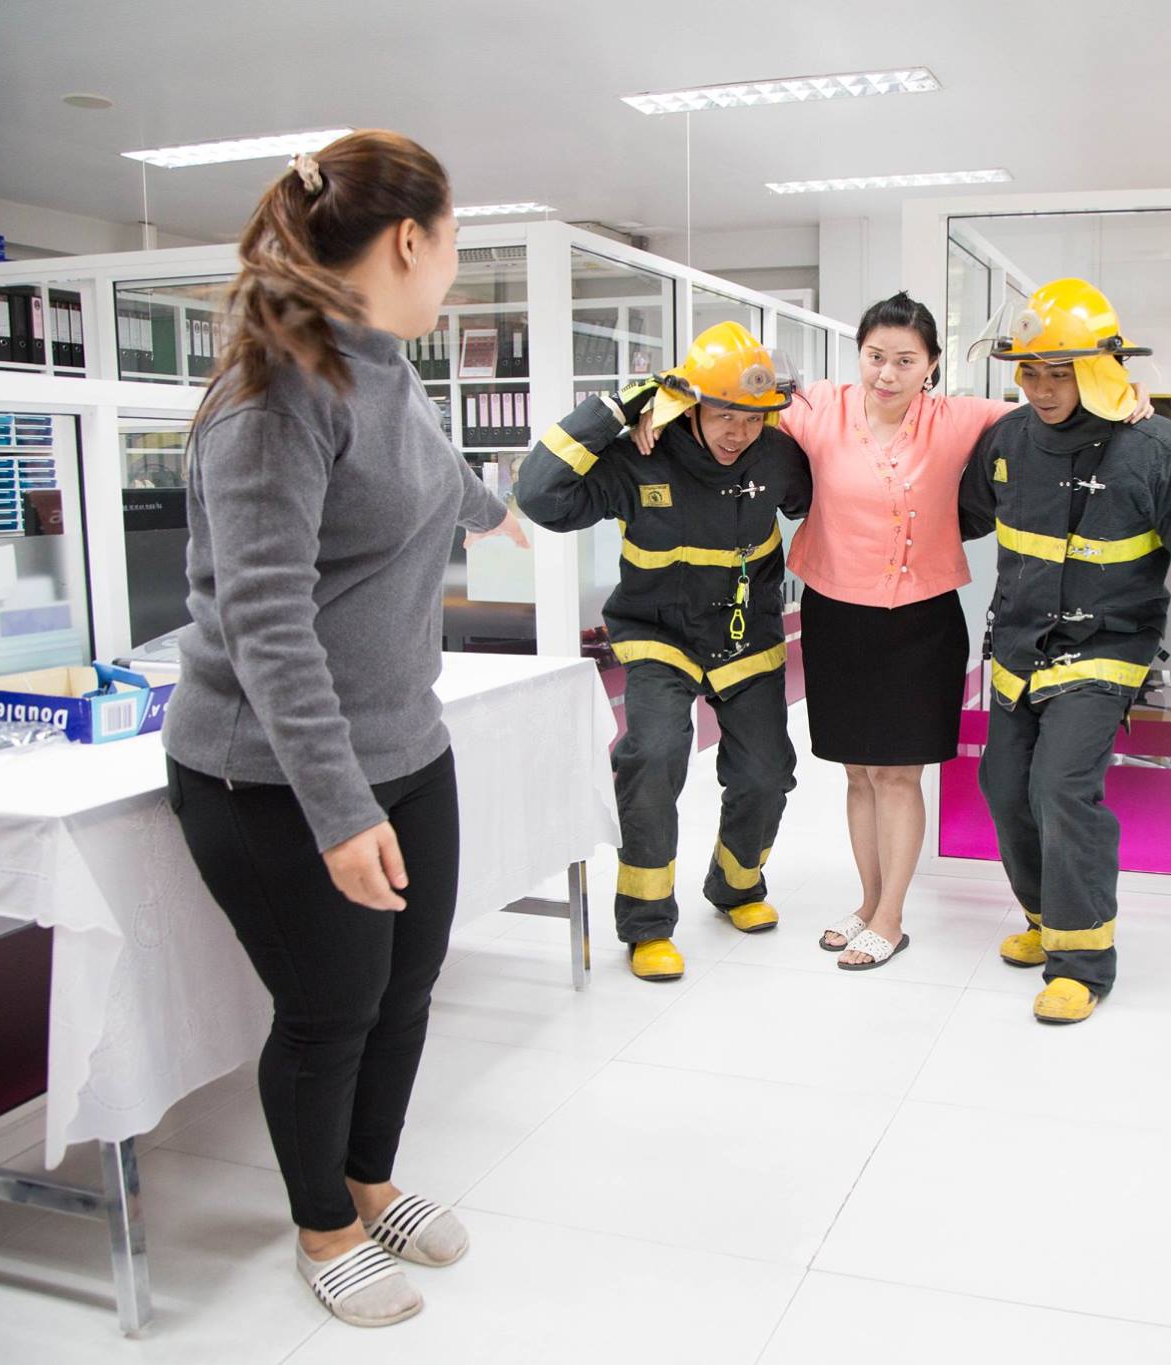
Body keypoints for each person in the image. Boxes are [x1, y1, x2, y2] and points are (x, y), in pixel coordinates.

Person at [162, 133, 517, 1327]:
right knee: (329, 1012)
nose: (454, 267)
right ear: (409, 241)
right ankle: (323, 1228)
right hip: (273, 774)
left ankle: (371, 1183)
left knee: (406, 987)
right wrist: (338, 807)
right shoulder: (273, 397)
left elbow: (432, 478)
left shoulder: (384, 365)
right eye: (453, 242)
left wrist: (505, 507)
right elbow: (264, 625)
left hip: (404, 744)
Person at [643, 293, 1149, 971]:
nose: (887, 373)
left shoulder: (960, 418)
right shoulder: (817, 406)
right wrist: (652, 409)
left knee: (898, 776)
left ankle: (891, 916)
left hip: (920, 621)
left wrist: (1128, 395)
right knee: (858, 773)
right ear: (859, 355)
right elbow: (726, 394)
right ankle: (867, 902)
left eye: (905, 360)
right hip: (835, 616)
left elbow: (1052, 406)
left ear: (932, 365)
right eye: (876, 356)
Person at [958, 277, 1171, 1023]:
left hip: (1105, 650)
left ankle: (1081, 961)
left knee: (1060, 786)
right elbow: (955, 513)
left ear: (1105, 367)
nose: (1042, 389)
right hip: (1018, 650)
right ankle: (1045, 917)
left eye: (1060, 372)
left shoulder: (1156, 449)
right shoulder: (1007, 441)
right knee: (1002, 784)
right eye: (1029, 372)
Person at [516, 323, 810, 981]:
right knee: (651, 756)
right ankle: (647, 925)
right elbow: (540, 497)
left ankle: (736, 885)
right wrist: (620, 408)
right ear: (690, 403)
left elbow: (824, 495)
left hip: (746, 635)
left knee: (766, 773)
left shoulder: (778, 456)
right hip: (659, 634)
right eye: (725, 414)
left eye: (753, 419)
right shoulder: (641, 454)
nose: (739, 432)